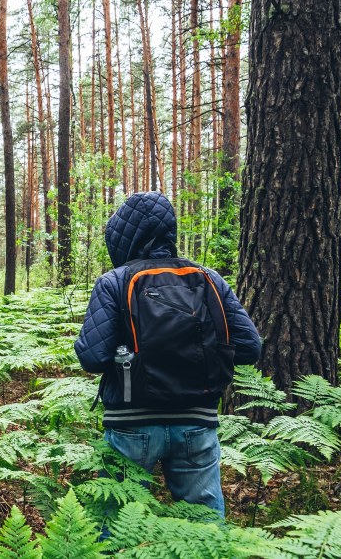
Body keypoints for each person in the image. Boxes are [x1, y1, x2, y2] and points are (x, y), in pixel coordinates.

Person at [74, 191, 261, 517]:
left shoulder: (114, 282)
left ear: (123, 237)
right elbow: (249, 347)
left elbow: (92, 357)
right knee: (206, 531)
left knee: (117, 527)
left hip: (130, 425)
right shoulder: (208, 279)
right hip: (196, 423)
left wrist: (126, 353)